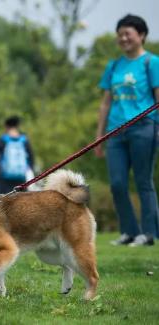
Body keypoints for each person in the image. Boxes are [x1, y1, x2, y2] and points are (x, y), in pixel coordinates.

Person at [95, 14, 159, 247]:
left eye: (128, 34)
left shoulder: (151, 63)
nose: (123, 38)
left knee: (143, 181)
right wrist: (99, 136)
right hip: (115, 132)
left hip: (144, 128)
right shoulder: (113, 67)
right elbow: (105, 103)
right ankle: (129, 232)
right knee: (118, 183)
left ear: (141, 35)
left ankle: (149, 234)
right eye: (120, 34)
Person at [0, 116, 34, 194]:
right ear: (17, 126)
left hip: (5, 176)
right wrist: (30, 168)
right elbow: (31, 157)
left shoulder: (3, 139)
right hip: (21, 176)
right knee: (20, 200)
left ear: (7, 126)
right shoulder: (24, 140)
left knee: (3, 201)